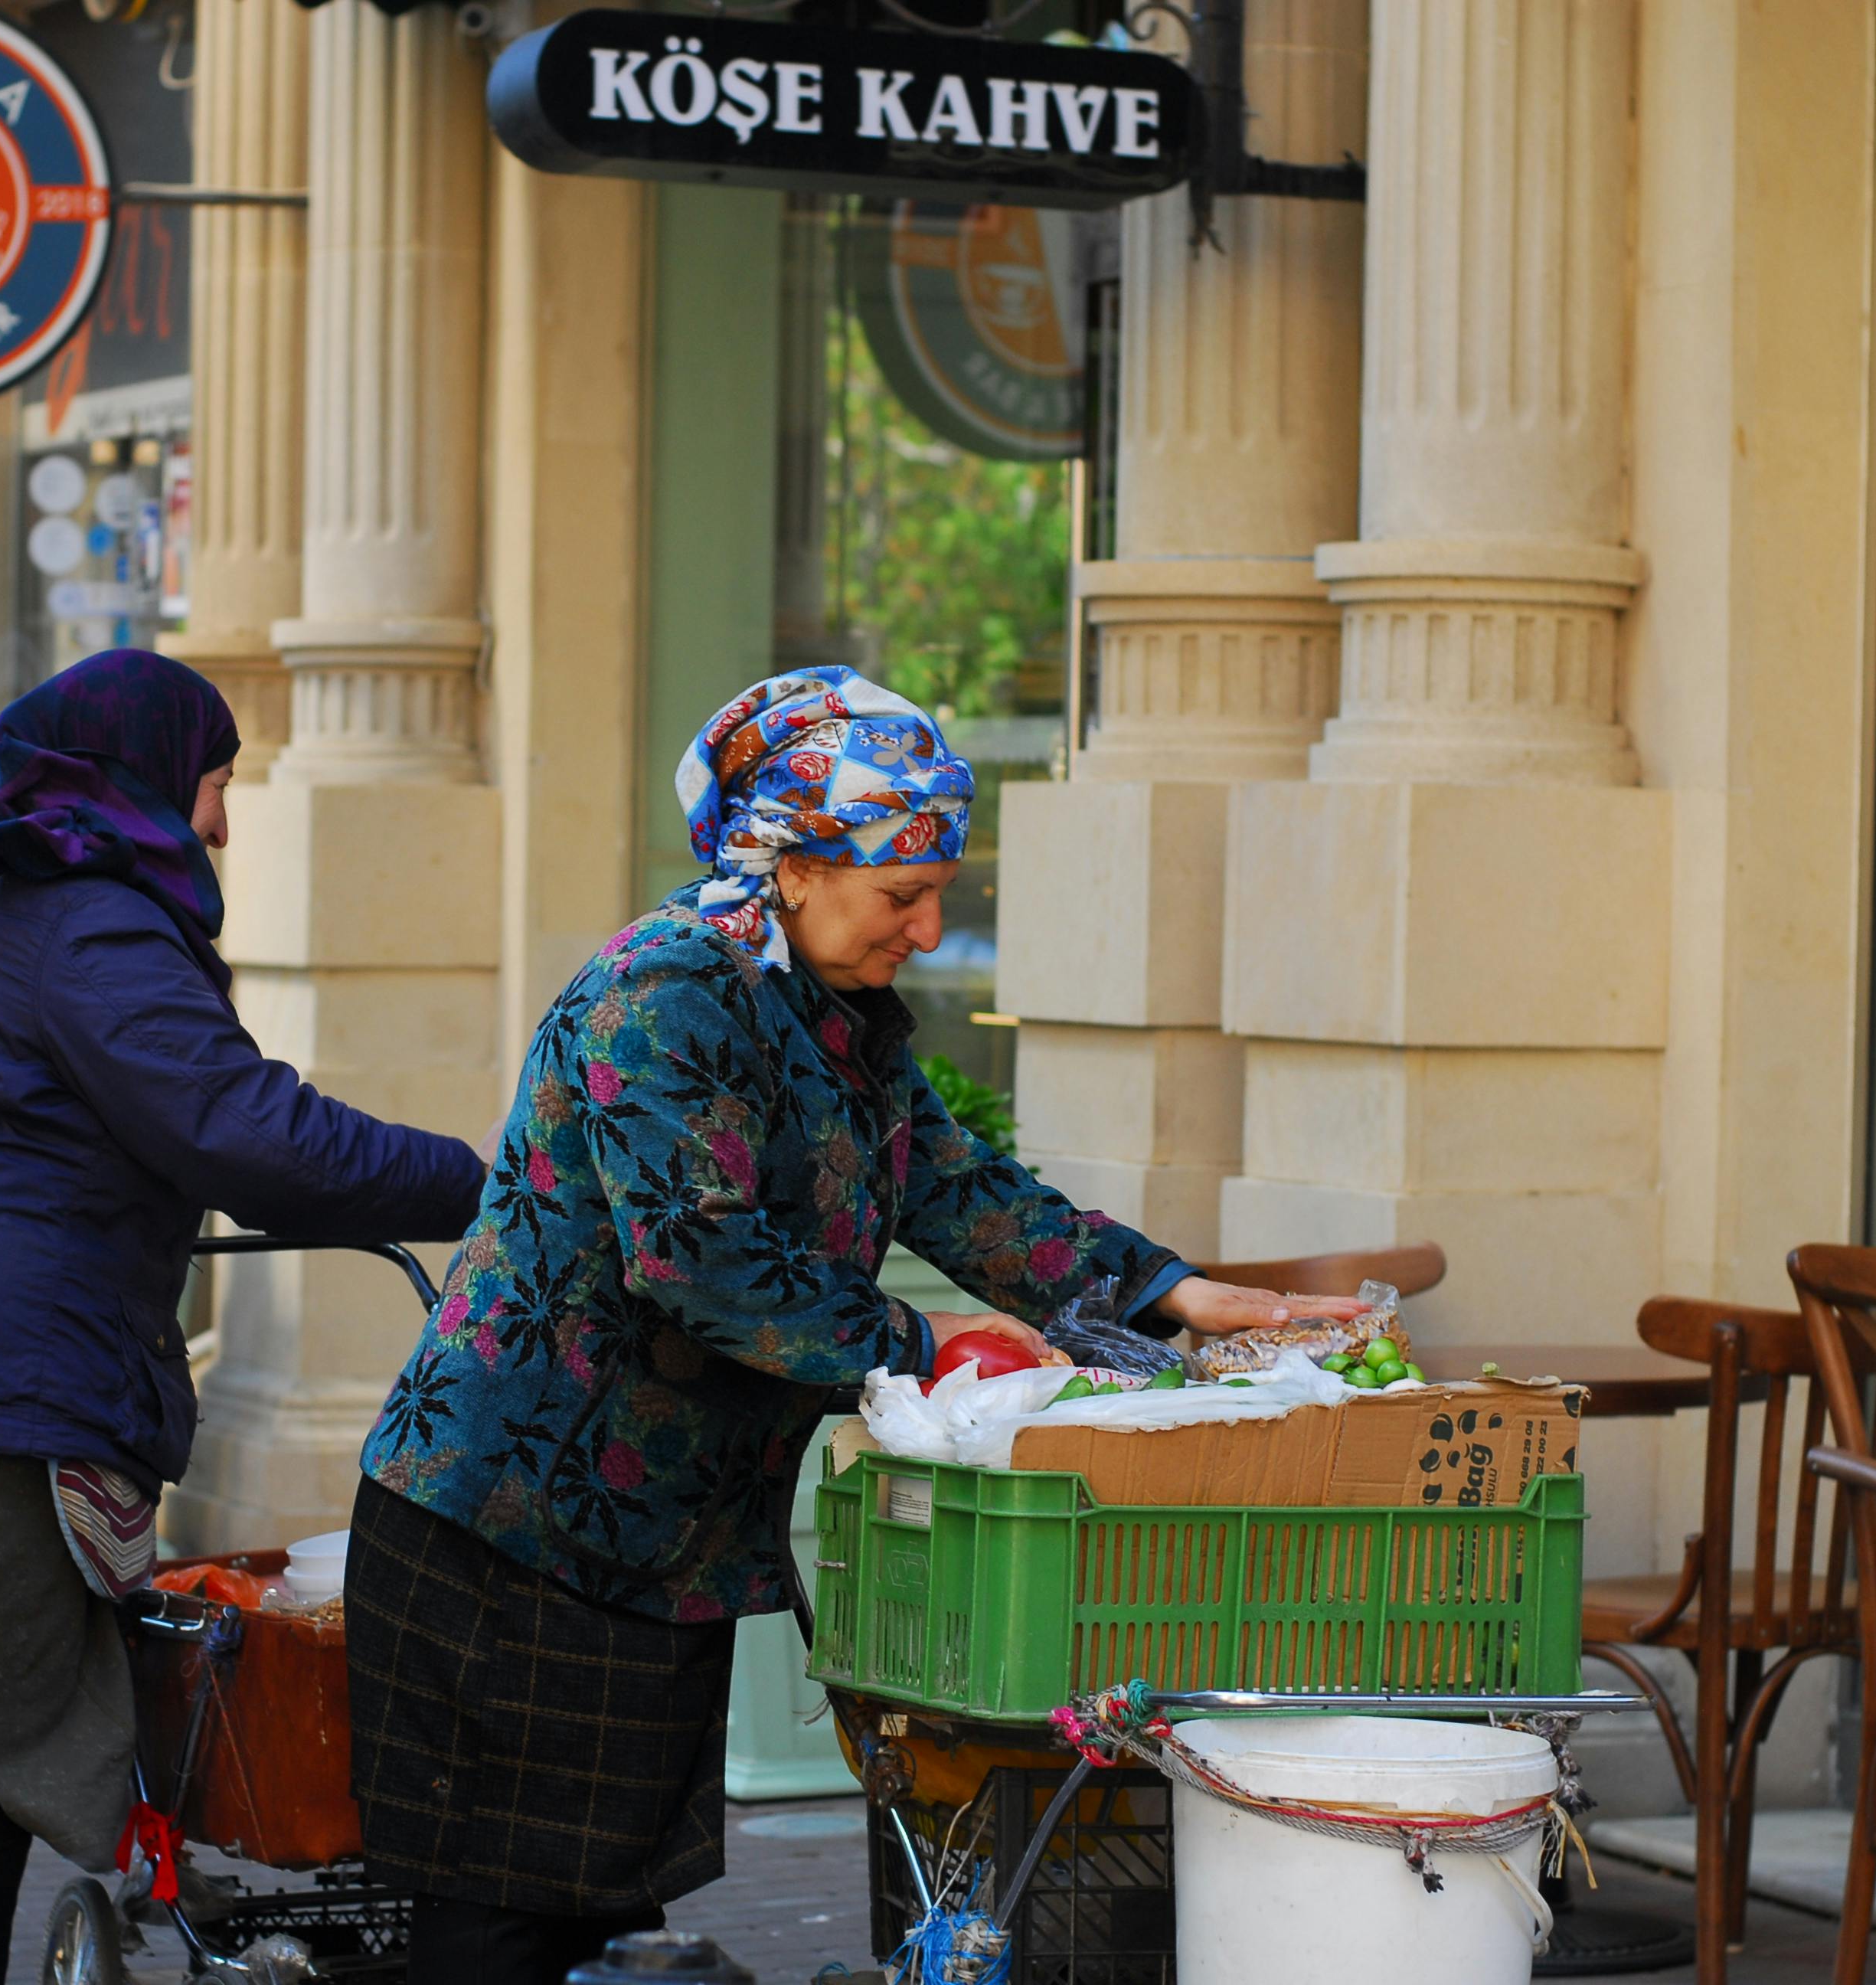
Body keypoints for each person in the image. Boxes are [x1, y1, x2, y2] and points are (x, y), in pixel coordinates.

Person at [345, 665, 1369, 1983]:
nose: (929, 930)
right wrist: (935, 1351)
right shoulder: (667, 991)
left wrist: (1173, 1292)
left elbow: (952, 1184)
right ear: (791, 866)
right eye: (904, 895)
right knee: (497, 1914)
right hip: (516, 1520)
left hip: (650, 1531)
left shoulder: (833, 1011)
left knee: (574, 1903)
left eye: (939, 892)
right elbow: (701, 1259)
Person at [0, 649, 484, 1981]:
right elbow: (240, 1130)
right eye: (217, 781)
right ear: (146, 777)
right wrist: (484, 1183)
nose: (221, 822)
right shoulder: (87, 914)